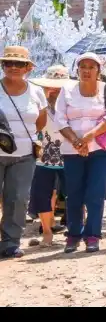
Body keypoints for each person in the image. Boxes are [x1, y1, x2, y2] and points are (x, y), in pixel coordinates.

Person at [50, 52, 106, 254]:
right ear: (77, 70)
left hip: (100, 149)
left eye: (91, 67)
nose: (86, 70)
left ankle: (93, 235)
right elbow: (60, 119)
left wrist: (89, 137)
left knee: (94, 193)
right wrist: (76, 141)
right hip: (72, 150)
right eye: (83, 67)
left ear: (98, 70)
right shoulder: (67, 89)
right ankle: (73, 235)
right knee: (73, 194)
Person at [0, 46, 48, 258]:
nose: (13, 67)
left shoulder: (37, 91)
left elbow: (41, 122)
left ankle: (10, 242)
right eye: (8, 63)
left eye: (19, 63)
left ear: (28, 67)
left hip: (24, 154)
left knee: (18, 198)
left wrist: (20, 137)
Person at [28, 65, 70, 248]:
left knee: (75, 193)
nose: (54, 90)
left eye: (59, 87)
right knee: (42, 194)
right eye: (51, 86)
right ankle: (46, 231)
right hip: (44, 157)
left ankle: (76, 228)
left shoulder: (73, 105)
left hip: (71, 155)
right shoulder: (38, 104)